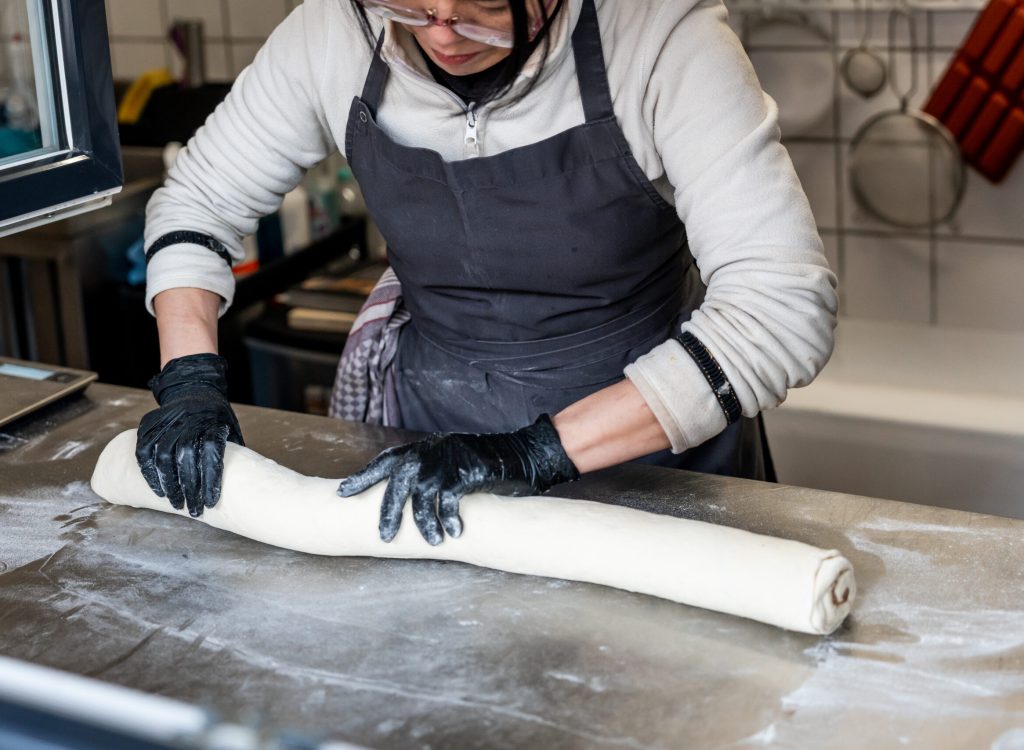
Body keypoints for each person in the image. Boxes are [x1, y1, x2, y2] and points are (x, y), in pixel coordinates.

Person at [135, 0, 838, 546]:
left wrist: (533, 452)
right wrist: (189, 379)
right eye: (411, 6)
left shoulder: (658, 35)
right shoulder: (334, 31)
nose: (443, 35)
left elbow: (779, 309)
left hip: (654, 461)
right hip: (426, 463)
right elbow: (200, 199)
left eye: (486, 9)